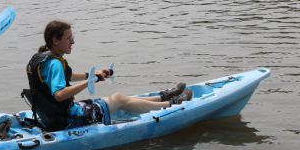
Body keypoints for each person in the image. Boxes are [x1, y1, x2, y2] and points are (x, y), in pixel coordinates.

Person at [26, 21, 193, 130]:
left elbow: (66, 77)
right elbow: (60, 95)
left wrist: (93, 74)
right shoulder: (55, 63)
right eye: (69, 38)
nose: (73, 42)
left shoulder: (43, 60)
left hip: (56, 117)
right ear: (56, 41)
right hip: (69, 120)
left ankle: (165, 97)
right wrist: (89, 81)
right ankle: (172, 104)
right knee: (119, 99)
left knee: (119, 97)